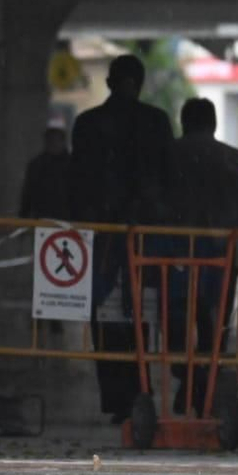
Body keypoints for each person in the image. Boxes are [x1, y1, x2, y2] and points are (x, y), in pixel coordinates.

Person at [68, 54, 175, 423]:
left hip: (98, 237)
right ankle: (139, 389)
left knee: (103, 313)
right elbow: (165, 179)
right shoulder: (156, 123)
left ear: (111, 82)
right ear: (139, 83)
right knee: (141, 313)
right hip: (143, 235)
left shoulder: (87, 124)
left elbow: (78, 180)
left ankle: (115, 397)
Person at [165, 97, 238, 412]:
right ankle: (206, 380)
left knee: (177, 318)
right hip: (221, 254)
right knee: (215, 322)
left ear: (184, 122)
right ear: (214, 123)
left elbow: (150, 201)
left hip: (176, 254)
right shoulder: (233, 158)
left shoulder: (166, 156)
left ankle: (187, 377)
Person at [19, 122, 73, 220]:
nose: (53, 144)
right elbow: (28, 192)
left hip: (65, 217)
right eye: (50, 141)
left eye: (55, 140)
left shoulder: (72, 165)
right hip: (43, 217)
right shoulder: (37, 164)